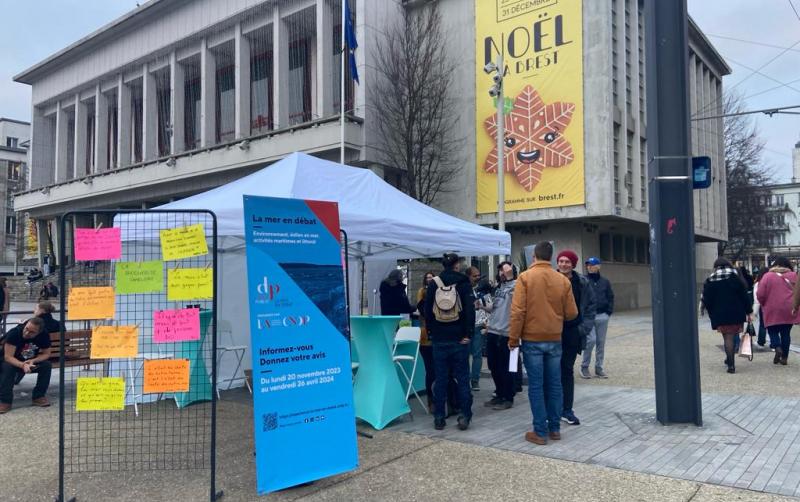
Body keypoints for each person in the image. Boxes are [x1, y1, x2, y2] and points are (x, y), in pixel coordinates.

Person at [509, 242, 578, 445]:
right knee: (555, 385)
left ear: (534, 257)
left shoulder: (525, 278)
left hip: (532, 338)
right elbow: (572, 313)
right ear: (551, 257)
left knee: (536, 387)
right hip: (555, 338)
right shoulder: (563, 280)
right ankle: (554, 428)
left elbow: (518, 312)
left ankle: (540, 431)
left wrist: (513, 338)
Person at [425, 253, 475, 431]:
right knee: (462, 378)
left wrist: (432, 332)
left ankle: (439, 417)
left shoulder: (434, 283)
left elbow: (427, 310)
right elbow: (469, 310)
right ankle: (465, 415)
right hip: (459, 339)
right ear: (457, 265)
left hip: (439, 339)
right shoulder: (463, 283)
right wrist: (468, 333)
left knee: (441, 378)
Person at [555, 249, 596, 426]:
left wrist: (583, 329)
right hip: (552, 332)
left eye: (567, 262)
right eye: (561, 261)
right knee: (551, 371)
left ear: (573, 264)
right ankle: (552, 409)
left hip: (573, 332)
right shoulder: (550, 279)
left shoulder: (582, 282)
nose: (564, 264)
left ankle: (566, 409)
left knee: (566, 370)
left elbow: (590, 307)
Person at [701, 258, 753, 374]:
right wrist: (749, 311)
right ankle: (730, 361)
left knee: (727, 338)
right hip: (736, 312)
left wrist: (711, 312)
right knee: (733, 335)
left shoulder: (711, 280)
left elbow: (707, 299)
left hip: (720, 314)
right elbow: (744, 296)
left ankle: (731, 364)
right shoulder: (734, 278)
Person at [0, 317, 52, 413]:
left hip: (29, 361)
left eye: (32, 332)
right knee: (8, 368)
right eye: (26, 329)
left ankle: (38, 396)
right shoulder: (15, 333)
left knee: (46, 366)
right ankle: (5, 401)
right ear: (25, 325)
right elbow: (8, 357)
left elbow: (46, 354)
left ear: (39, 332)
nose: (27, 333)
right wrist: (22, 365)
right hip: (11, 361)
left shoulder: (44, 335)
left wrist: (33, 360)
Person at [484, 261, 517, 410]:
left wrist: (510, 279)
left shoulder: (517, 286)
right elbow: (495, 307)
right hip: (493, 330)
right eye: (500, 271)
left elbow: (517, 301)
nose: (502, 274)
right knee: (493, 365)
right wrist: (483, 306)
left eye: (505, 270)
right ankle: (499, 393)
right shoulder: (499, 288)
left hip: (506, 333)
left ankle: (508, 397)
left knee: (506, 367)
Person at [757, 257, 798, 366]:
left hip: (772, 308)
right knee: (786, 333)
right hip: (789, 308)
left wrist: (763, 303)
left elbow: (760, 293)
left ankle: (777, 346)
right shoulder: (794, 276)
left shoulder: (767, 276)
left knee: (772, 330)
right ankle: (784, 357)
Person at [581, 257, 614, 379]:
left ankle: (599, 368)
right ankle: (584, 366)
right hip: (588, 317)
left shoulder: (605, 282)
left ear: (598, 266)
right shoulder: (583, 280)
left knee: (601, 342)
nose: (589, 267)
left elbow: (610, 296)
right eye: (588, 265)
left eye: (592, 265)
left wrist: (608, 312)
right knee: (591, 340)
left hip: (602, 316)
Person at [467, 266, 491, 391]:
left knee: (477, 355)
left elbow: (490, 307)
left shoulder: (483, 290)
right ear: (468, 276)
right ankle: (465, 380)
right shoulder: (464, 289)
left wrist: (487, 322)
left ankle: (475, 380)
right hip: (466, 326)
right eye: (474, 276)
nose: (477, 278)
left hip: (479, 325)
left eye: (478, 276)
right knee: (464, 355)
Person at [416, 271, 437, 411]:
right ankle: (431, 400)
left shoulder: (438, 293)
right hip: (425, 338)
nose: (429, 280)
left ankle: (439, 398)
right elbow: (421, 310)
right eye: (427, 278)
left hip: (436, 337)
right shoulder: (422, 293)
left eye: (432, 278)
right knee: (430, 371)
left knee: (437, 370)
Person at [753, 270, 768, 347]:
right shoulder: (772, 282)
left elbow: (756, 299)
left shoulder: (758, 284)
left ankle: (761, 342)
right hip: (772, 306)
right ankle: (774, 344)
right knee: (773, 326)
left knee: (763, 324)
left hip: (762, 306)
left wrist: (754, 312)